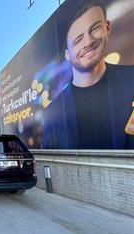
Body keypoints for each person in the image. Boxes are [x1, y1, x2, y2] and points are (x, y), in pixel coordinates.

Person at [42, 1, 134, 149]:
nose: (88, 42)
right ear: (67, 54)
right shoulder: (54, 110)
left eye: (95, 28)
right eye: (78, 40)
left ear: (107, 27)